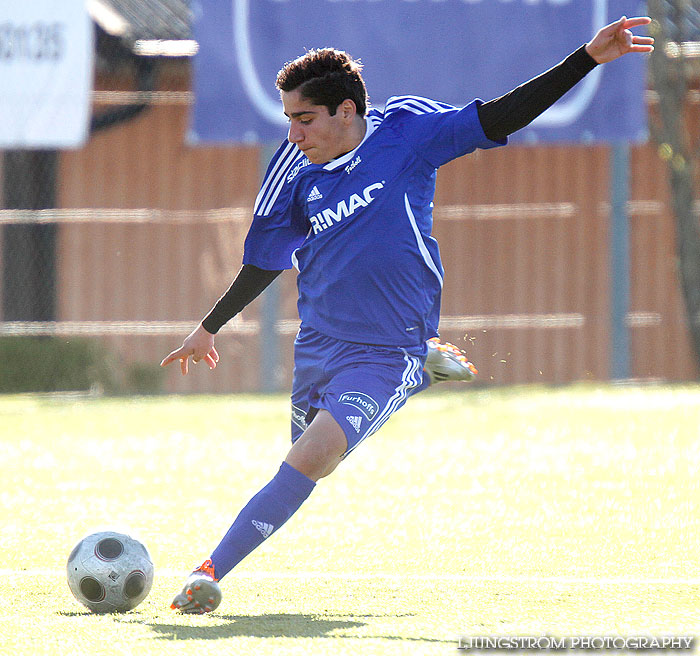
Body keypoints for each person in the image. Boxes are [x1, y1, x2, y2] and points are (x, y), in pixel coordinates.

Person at [162, 16, 653, 613]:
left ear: (347, 110)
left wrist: (587, 59)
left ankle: (208, 572)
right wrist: (207, 327)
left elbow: (499, 117)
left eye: (304, 118)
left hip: (386, 347)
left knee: (311, 456)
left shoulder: (408, 133)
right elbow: (264, 260)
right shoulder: (290, 175)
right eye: (287, 118)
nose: (292, 133)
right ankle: (424, 365)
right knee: (311, 454)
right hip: (320, 346)